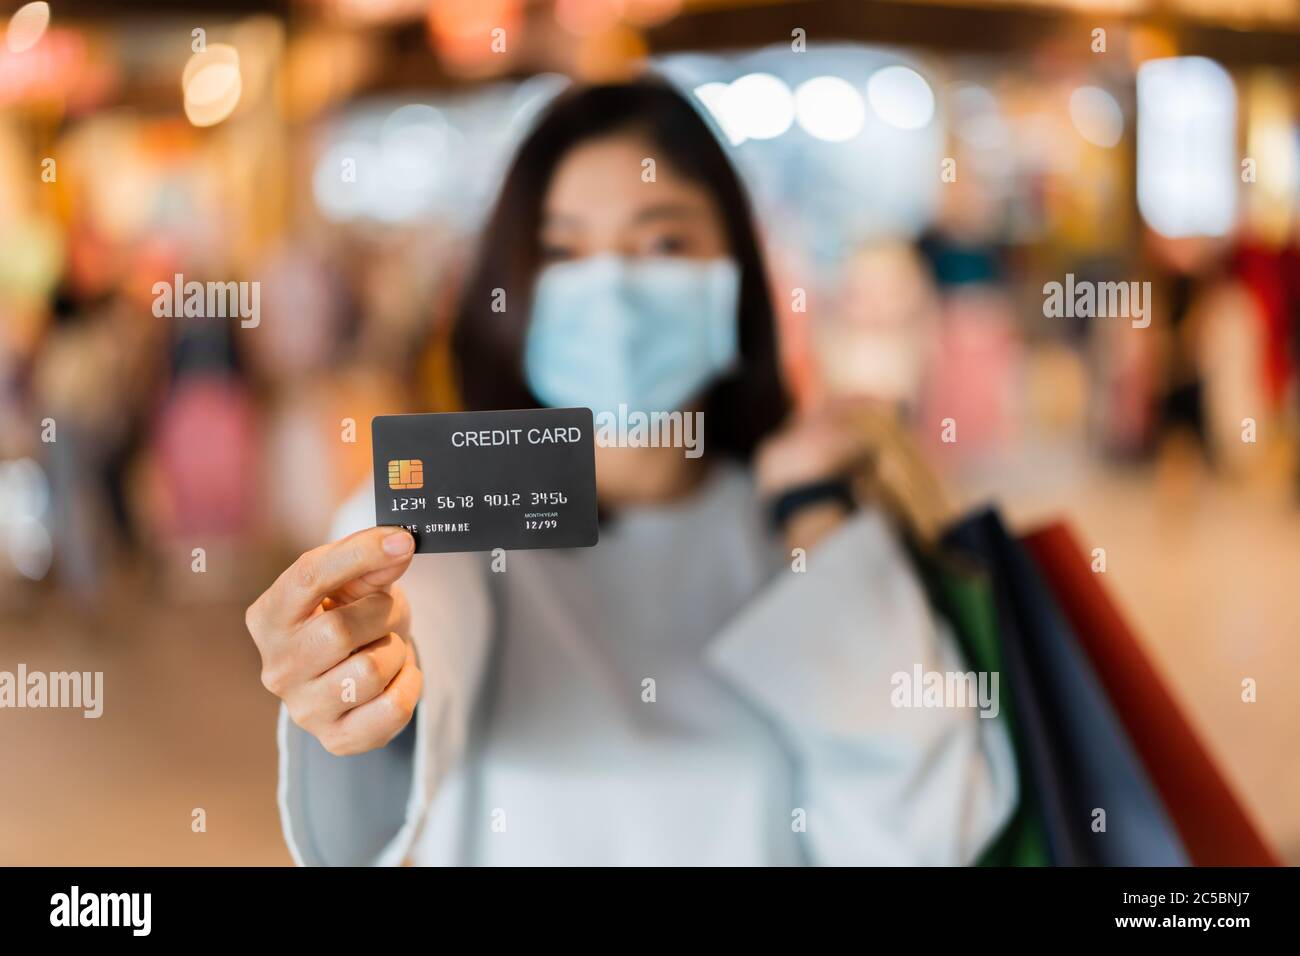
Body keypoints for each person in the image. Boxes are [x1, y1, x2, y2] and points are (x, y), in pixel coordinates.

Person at [245, 79, 1016, 866]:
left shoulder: (803, 529)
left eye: (662, 243)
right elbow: (411, 635)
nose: (610, 291)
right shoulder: (450, 506)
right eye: (563, 251)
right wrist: (356, 673)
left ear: (738, 274)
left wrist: (816, 512)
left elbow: (923, 835)